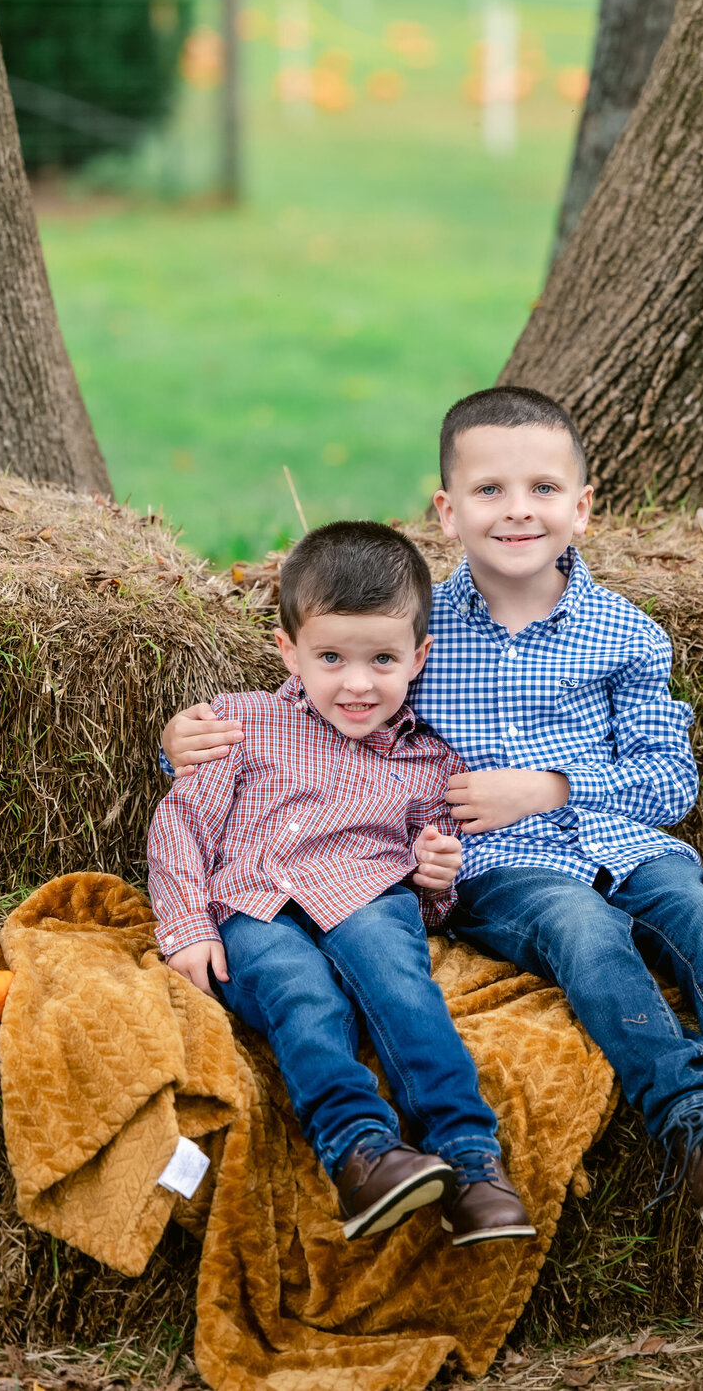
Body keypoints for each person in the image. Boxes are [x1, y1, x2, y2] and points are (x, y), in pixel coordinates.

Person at [162, 389, 703, 1233]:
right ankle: (699, 1122)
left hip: (625, 843)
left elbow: (671, 779)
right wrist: (184, 737)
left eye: (542, 489)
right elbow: (314, 704)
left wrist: (551, 785)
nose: (517, 511)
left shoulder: (627, 634)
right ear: (448, 509)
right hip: (505, 871)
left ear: (581, 506)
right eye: (490, 490)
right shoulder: (418, 627)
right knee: (585, 931)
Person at [148, 518, 535, 1248]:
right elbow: (180, 825)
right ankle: (362, 1152)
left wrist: (433, 877)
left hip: (371, 895)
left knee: (400, 985)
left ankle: (472, 1160)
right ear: (289, 651)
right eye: (331, 657)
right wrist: (186, 929)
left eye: (382, 659)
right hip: (253, 904)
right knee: (300, 990)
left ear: (419, 656)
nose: (358, 684)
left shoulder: (431, 763)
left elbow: (432, 899)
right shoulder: (238, 722)